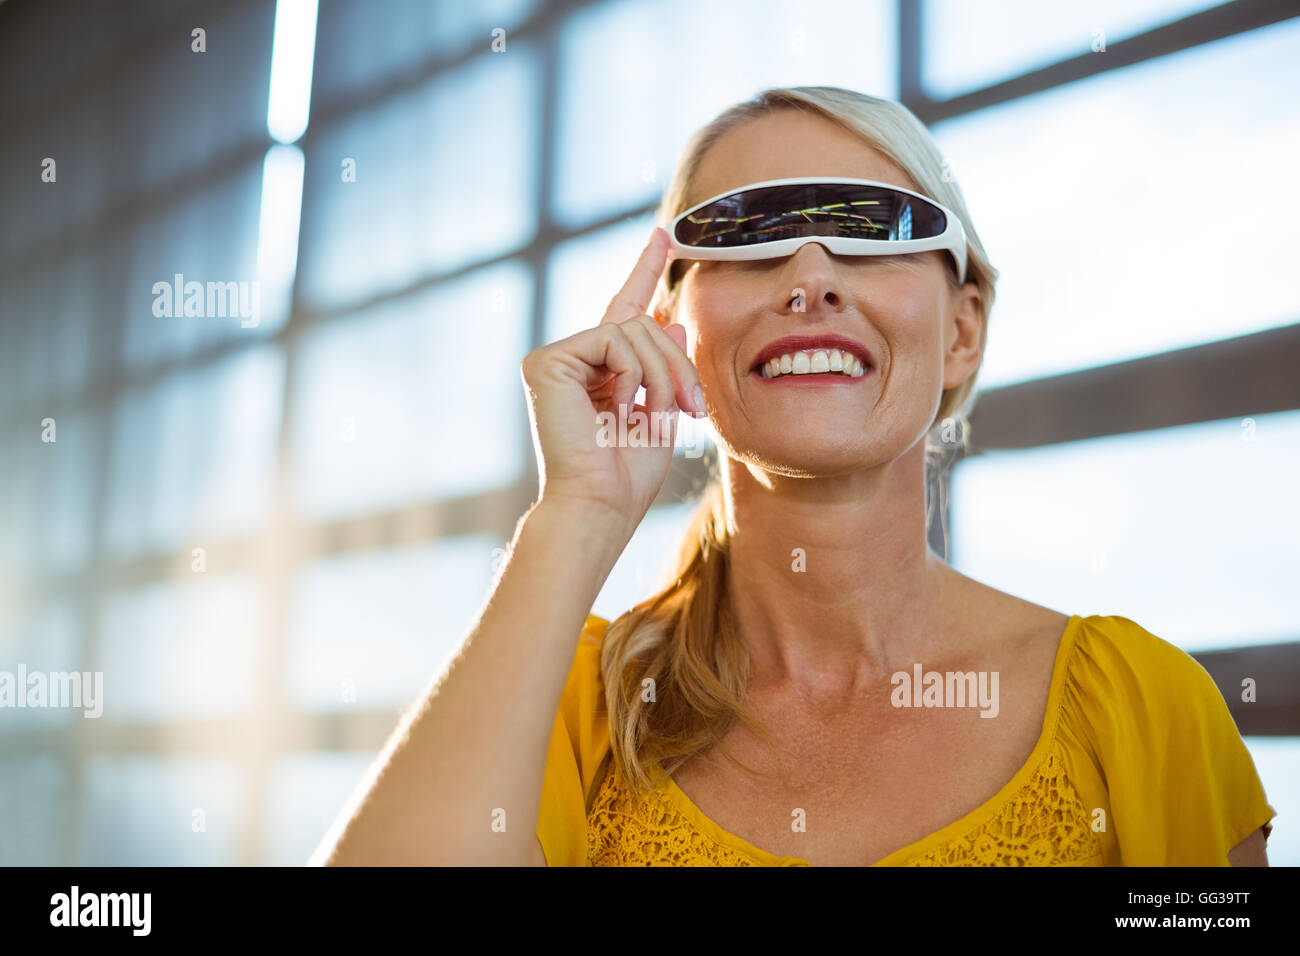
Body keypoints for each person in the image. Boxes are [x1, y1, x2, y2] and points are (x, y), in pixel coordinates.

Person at [311, 86, 1275, 867]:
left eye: (874, 226)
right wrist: (577, 512)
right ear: (671, 325)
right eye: (745, 233)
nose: (809, 273)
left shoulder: (1146, 707)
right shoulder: (570, 716)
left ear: (963, 329)